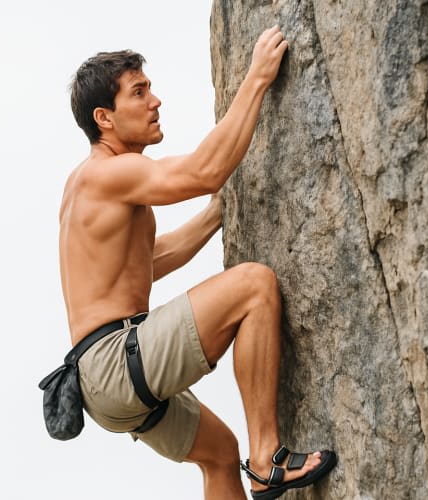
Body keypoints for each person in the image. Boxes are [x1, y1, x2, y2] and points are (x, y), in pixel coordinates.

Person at [60, 25, 336, 499]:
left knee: (219, 455)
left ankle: (248, 463)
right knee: (253, 286)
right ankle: (269, 459)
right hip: (115, 361)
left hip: (101, 382)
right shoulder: (107, 173)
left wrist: (216, 217)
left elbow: (150, 261)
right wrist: (257, 79)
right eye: (139, 92)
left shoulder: (87, 183)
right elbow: (206, 171)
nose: (155, 101)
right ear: (104, 117)